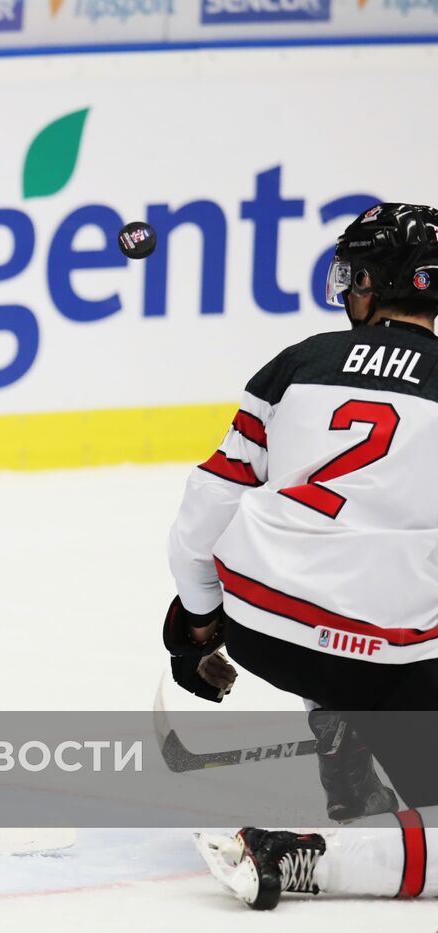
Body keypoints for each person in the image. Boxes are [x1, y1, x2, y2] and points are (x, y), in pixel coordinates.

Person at [163, 202, 438, 908]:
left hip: (267, 630)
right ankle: (308, 858)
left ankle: (343, 721)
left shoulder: (300, 361)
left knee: (335, 580)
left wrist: (198, 618)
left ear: (374, 284)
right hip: (394, 657)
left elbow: (209, 503)